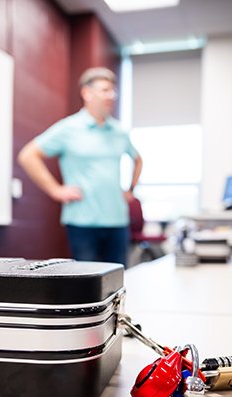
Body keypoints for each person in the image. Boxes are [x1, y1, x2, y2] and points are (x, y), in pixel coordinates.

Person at [17, 67, 143, 266]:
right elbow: (28, 155)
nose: (110, 96)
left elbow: (137, 159)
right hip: (82, 221)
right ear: (87, 93)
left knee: (118, 282)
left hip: (118, 221)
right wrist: (55, 190)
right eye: (104, 90)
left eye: (112, 91)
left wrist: (131, 189)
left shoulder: (119, 131)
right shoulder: (69, 128)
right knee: (88, 286)